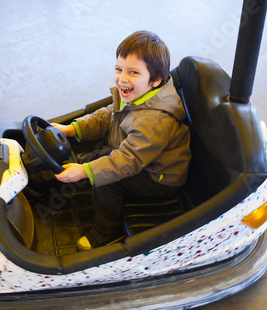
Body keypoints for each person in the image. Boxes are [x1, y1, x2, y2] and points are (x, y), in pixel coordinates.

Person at [53, 30, 191, 251]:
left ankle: (105, 232)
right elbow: (108, 115)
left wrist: (87, 170)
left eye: (133, 72)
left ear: (154, 80)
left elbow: (127, 161)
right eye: (119, 69)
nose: (122, 78)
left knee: (109, 180)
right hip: (140, 159)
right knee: (99, 158)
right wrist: (72, 128)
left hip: (159, 179)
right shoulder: (136, 95)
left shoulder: (155, 120)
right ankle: (71, 178)